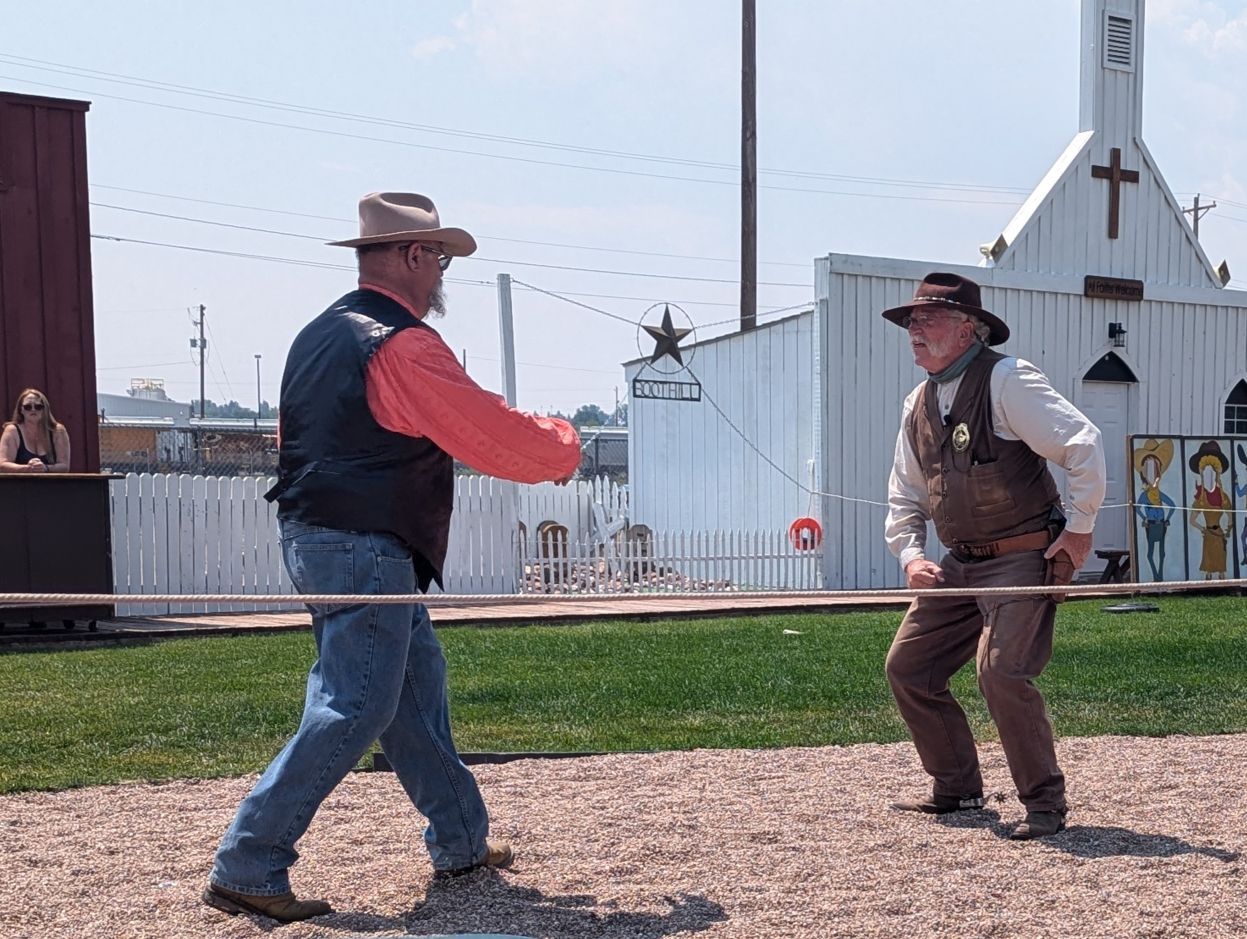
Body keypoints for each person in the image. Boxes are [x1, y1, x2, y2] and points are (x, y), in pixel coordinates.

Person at [205, 192, 582, 922]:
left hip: (318, 533)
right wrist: (561, 446)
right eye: (438, 256)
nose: (442, 271)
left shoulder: (316, 336)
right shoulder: (400, 343)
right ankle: (248, 860)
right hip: (365, 542)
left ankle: (461, 838)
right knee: (354, 703)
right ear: (414, 256)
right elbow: (486, 430)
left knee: (409, 692)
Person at [881, 272, 1105, 841]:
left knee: (1001, 673)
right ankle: (957, 789)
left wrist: (1077, 533)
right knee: (909, 668)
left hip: (1022, 556)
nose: (913, 330)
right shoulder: (917, 403)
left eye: (926, 319)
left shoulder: (1008, 380)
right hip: (958, 563)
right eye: (911, 321)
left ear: (967, 330)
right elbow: (905, 495)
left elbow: (1083, 444)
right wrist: (911, 555)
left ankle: (1044, 804)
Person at [0, 388, 71, 474]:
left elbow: (64, 466)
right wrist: (28, 468)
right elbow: (2, 465)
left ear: (45, 409)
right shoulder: (12, 431)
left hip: (51, 485)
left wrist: (45, 468)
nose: (33, 410)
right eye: (28, 407)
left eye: (38, 407)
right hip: (20, 485)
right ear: (21, 410)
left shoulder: (58, 431)